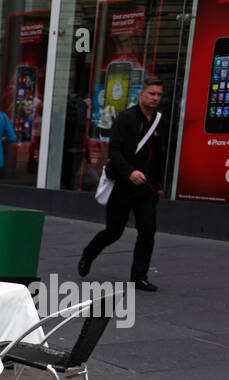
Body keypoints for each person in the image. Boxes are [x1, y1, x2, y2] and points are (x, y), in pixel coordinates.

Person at [79, 76, 166, 292]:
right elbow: (114, 151)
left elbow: (160, 155)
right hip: (122, 186)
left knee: (148, 230)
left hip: (147, 188)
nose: (155, 98)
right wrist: (130, 172)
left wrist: (159, 184)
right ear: (141, 94)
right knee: (114, 231)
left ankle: (139, 276)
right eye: (152, 94)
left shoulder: (160, 121)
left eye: (159, 95)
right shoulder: (125, 118)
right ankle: (88, 254)